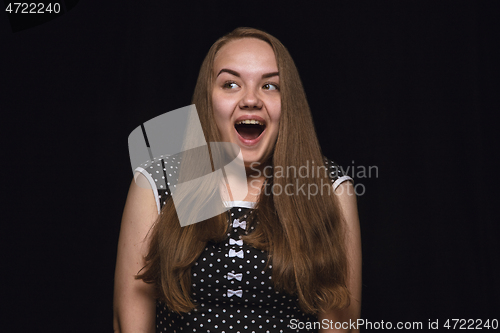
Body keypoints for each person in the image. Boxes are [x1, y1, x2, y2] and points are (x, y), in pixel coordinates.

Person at [113, 27, 361, 333]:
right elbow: (130, 323)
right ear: (208, 100)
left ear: (289, 104)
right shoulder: (155, 183)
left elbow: (341, 326)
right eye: (230, 84)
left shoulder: (330, 188)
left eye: (270, 86)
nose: (251, 99)